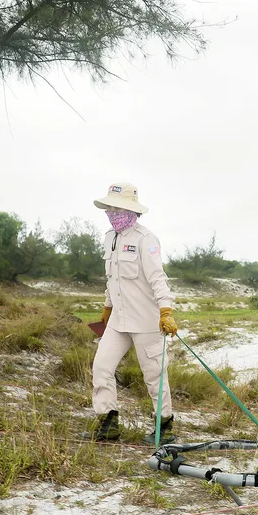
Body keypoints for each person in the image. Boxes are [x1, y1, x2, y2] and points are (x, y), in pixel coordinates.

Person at [88, 182, 179, 445]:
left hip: (146, 321)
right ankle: (108, 425)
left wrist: (166, 310)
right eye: (110, 208)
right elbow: (112, 279)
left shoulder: (145, 239)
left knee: (154, 375)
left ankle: (164, 428)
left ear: (131, 209)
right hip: (118, 321)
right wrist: (107, 308)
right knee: (101, 367)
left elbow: (158, 278)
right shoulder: (110, 237)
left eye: (118, 208)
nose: (112, 213)